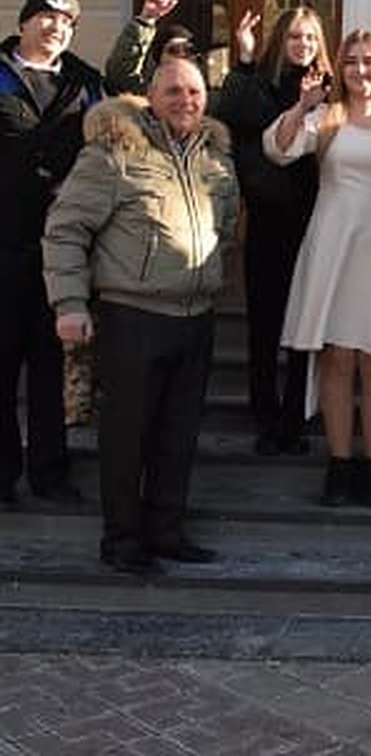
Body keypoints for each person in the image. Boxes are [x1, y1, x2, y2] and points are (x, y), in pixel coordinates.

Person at [42, 58, 239, 574]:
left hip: (195, 316)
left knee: (179, 434)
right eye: (173, 90)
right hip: (132, 317)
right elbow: (65, 230)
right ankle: (123, 542)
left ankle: (166, 531)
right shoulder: (114, 153)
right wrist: (70, 303)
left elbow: (229, 224)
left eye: (194, 91)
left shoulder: (215, 157)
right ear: (151, 95)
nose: (185, 100)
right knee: (128, 437)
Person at [265, 28, 371, 509]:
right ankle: (339, 465)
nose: (360, 70)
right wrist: (302, 104)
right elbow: (278, 148)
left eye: (369, 61)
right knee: (335, 360)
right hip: (331, 241)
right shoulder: (327, 116)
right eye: (351, 62)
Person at [210, 7, 331, 456]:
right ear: (280, 41)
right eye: (296, 37)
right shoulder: (260, 85)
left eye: (311, 38)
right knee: (265, 323)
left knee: (306, 323)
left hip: (316, 220)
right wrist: (241, 60)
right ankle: (264, 413)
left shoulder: (328, 90)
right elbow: (232, 115)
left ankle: (294, 417)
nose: (303, 46)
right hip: (268, 219)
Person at [0, 0, 104, 506]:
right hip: (3, 243)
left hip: (60, 251)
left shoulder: (86, 84)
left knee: (50, 368)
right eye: (46, 17)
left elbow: (106, 147)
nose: (56, 27)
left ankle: (50, 472)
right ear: (24, 23)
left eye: (66, 21)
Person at [104, 0, 196, 95]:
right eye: (173, 50)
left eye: (188, 50)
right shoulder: (148, 92)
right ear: (159, 57)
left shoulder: (205, 95)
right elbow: (119, 74)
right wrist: (146, 19)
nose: (181, 55)